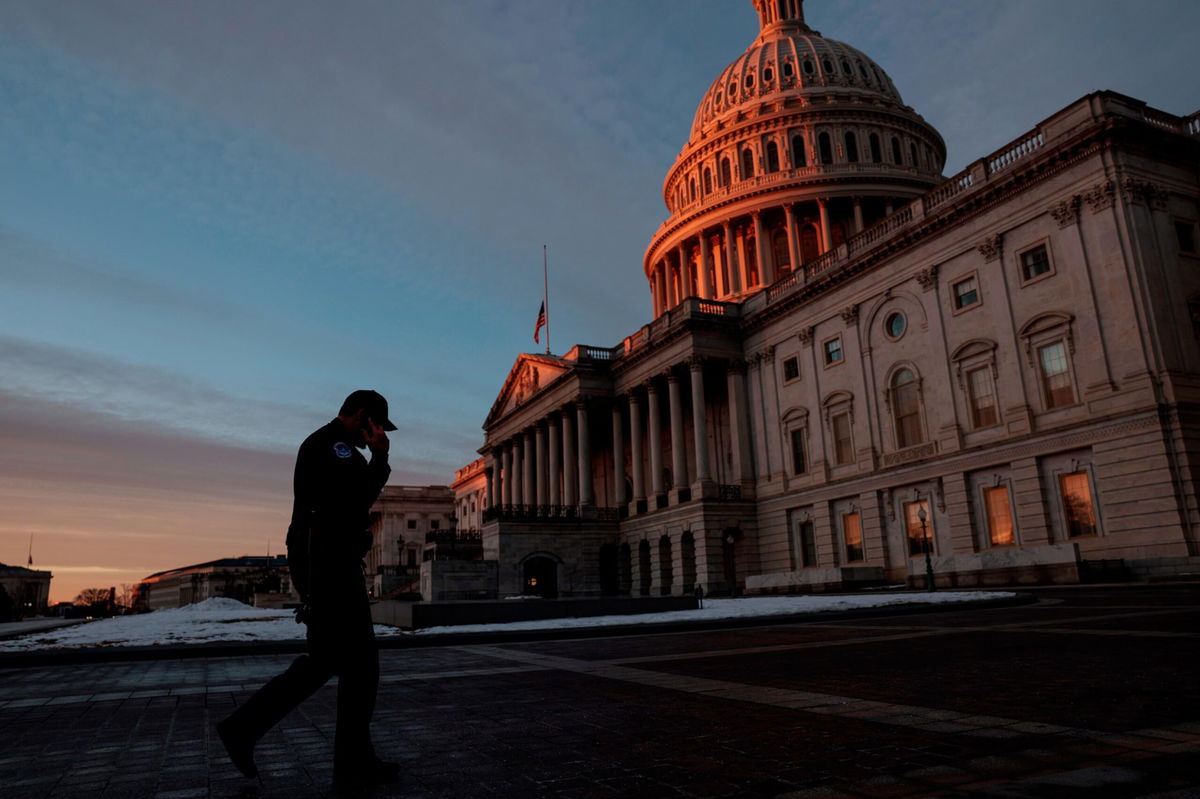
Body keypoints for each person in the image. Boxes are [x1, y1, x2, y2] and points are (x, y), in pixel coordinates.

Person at [217, 390, 400, 789]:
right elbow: (355, 500)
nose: (379, 433)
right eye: (377, 426)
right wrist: (380, 458)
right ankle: (246, 731)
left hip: (327, 562)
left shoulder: (332, 447)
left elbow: (351, 504)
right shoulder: (334, 448)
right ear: (364, 417)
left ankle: (350, 761)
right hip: (328, 565)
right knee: (350, 665)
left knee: (343, 665)